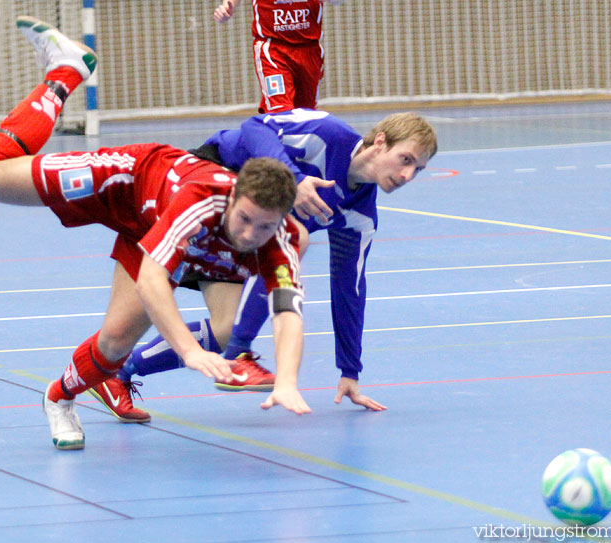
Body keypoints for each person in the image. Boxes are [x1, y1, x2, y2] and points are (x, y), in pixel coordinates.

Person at [0, 16, 312, 450]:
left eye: (264, 227)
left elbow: (287, 312)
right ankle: (66, 72)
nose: (250, 235)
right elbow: (156, 280)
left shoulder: (284, 237)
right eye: (244, 219)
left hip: (154, 227)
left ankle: (59, 397)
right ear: (232, 198)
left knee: (116, 343)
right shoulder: (202, 203)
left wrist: (286, 380)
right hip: (128, 179)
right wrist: (190, 352)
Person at [92, 107, 438, 420]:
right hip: (211, 178)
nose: (408, 175)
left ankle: (120, 373)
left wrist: (350, 371)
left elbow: (349, 289)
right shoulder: (326, 134)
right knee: (293, 238)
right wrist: (295, 179)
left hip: (251, 233)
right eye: (405, 159)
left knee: (227, 323)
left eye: (418, 169)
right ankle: (237, 354)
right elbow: (256, 126)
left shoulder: (359, 215)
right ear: (380, 142)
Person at [213, 0, 345, 113]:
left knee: (306, 114)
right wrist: (226, 7)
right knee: (280, 111)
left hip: (309, 49)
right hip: (272, 49)